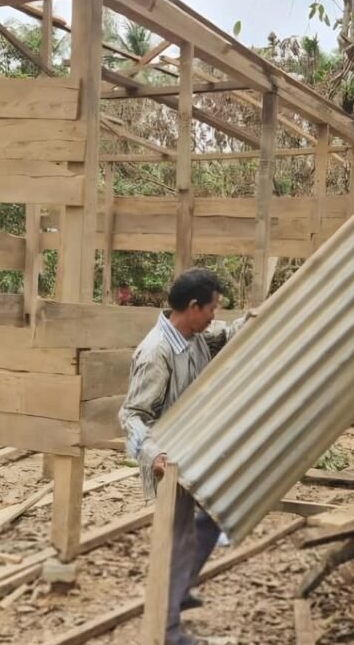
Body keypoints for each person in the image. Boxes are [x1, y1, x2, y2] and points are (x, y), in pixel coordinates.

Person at [118, 267, 247, 645]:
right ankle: (167, 630)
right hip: (168, 462)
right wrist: (154, 454)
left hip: (194, 453)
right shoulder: (156, 352)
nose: (213, 316)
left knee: (210, 520)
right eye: (211, 309)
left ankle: (179, 588)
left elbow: (224, 333)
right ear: (192, 307)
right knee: (176, 540)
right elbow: (132, 415)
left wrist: (257, 318)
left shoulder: (194, 336)